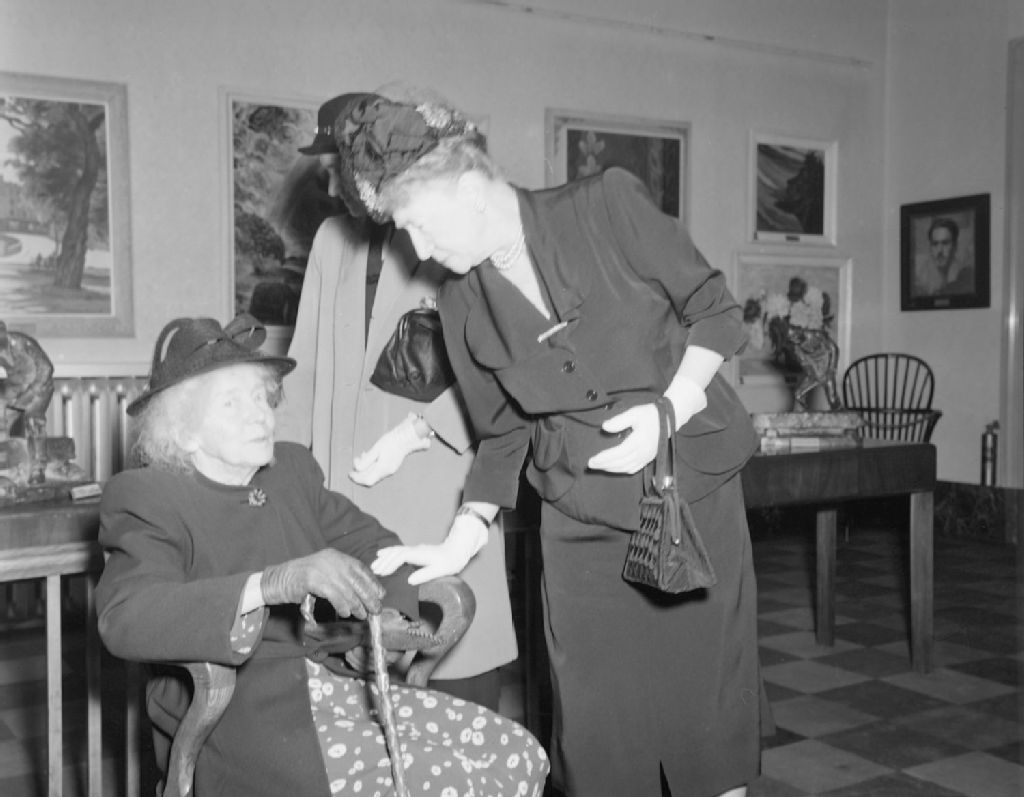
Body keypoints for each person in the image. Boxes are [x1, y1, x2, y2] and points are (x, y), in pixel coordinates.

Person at [333, 89, 763, 797]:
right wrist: (462, 536)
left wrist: (672, 406)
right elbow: (503, 429)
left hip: (688, 497)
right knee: (598, 736)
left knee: (704, 722)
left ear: (471, 191)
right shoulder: (461, 300)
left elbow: (714, 310)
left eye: (419, 225)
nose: (418, 250)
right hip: (578, 516)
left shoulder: (605, 206)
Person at [95, 313, 549, 797]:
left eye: (260, 397)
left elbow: (375, 545)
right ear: (184, 431)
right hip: (242, 718)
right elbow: (125, 616)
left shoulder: (290, 471)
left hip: (337, 684)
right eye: (231, 403)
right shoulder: (148, 497)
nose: (259, 415)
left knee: (522, 756)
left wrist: (389, 614)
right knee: (461, 782)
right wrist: (272, 584)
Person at [274, 92, 517, 711]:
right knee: (356, 690)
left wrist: (420, 430)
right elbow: (303, 369)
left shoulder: (445, 233)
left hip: (437, 488)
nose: (331, 181)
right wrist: (282, 472)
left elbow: (500, 368)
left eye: (338, 164)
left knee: (450, 675)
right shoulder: (332, 239)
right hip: (343, 498)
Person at [916, 217, 975, 296]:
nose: (939, 251)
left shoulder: (962, 276)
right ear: (930, 247)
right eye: (935, 244)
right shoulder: (919, 274)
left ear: (955, 246)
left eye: (945, 243)